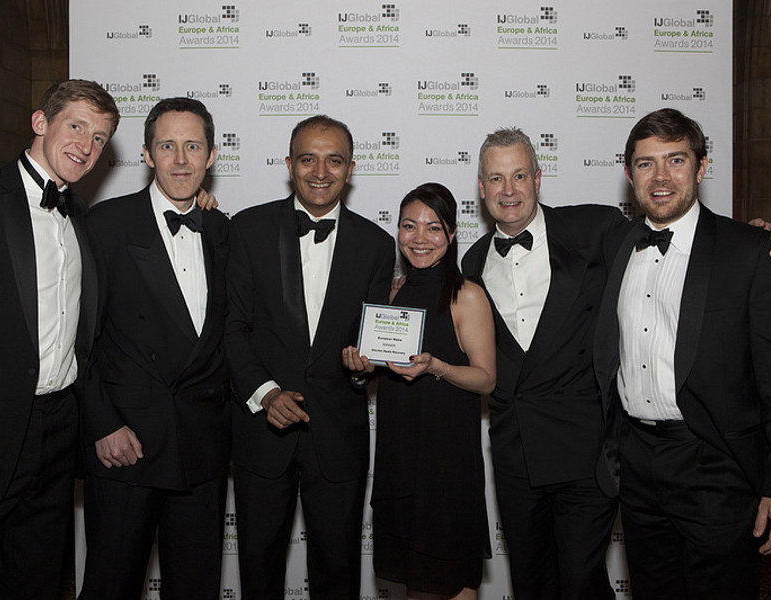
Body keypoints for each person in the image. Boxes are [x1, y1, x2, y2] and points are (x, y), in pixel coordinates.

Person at [593, 108, 771, 600]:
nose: (661, 177)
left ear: (701, 166)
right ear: (629, 174)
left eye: (676, 160)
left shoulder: (750, 251)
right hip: (636, 463)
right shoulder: (616, 242)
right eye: (646, 164)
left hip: (715, 463)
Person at [225, 114, 395, 599]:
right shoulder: (249, 228)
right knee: (258, 571)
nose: (321, 171)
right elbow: (232, 329)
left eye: (334, 160)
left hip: (338, 436)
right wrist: (265, 392)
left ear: (351, 168)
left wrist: (366, 370)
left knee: (338, 573)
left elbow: (373, 345)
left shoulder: (377, 245)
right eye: (308, 159)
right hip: (261, 433)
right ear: (289, 165)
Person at [460, 128, 629, 600]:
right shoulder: (471, 266)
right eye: (496, 178)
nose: (508, 190)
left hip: (585, 450)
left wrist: (744, 238)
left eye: (518, 175)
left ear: (538, 178)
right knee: (531, 584)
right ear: (481, 188)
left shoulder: (594, 229)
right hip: (516, 457)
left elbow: (670, 239)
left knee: (580, 582)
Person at [78, 97, 231, 600]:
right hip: (126, 443)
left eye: (193, 146)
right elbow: (81, 337)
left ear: (212, 156)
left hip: (201, 445)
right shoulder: (106, 223)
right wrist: (102, 423)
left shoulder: (224, 230)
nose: (181, 160)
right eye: (168, 146)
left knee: (196, 588)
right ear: (146, 154)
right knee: (111, 584)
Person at [0, 79, 119, 599]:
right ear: (41, 122)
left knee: (35, 579)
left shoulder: (83, 218)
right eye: (76, 126)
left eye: (100, 137)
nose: (86, 144)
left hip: (59, 428)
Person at [343, 183, 496, 599]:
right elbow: (380, 370)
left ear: (450, 233)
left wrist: (438, 367)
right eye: (409, 226)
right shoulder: (390, 295)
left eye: (433, 227)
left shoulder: (467, 295)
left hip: (447, 467)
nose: (420, 238)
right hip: (399, 460)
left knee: (452, 583)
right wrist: (360, 368)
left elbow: (486, 378)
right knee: (415, 585)